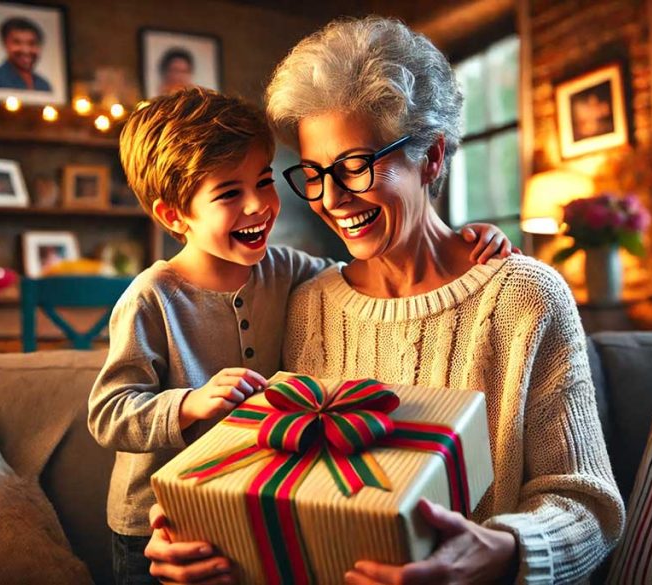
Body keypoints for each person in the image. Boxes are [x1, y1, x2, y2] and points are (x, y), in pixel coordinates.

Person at [144, 17, 625, 585]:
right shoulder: (311, 304)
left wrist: (499, 552)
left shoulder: (525, 297)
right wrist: (202, 532)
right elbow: (287, 479)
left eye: (356, 165)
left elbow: (587, 506)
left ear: (432, 156)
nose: (332, 198)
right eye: (315, 173)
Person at [88, 86, 516, 585]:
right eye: (229, 193)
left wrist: (464, 239)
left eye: (264, 182)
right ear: (173, 215)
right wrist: (188, 404)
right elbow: (107, 412)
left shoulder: (286, 269)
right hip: (154, 524)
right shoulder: (151, 298)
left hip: (245, 501)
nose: (259, 206)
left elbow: (366, 273)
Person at [0, 17, 51, 91]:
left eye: (31, 43)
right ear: (5, 44)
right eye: (17, 43)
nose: (25, 50)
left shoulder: (43, 85)